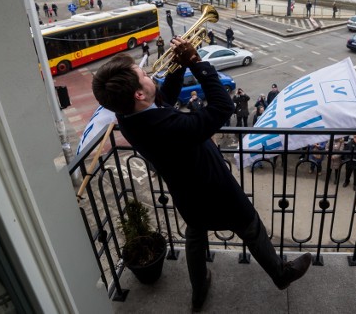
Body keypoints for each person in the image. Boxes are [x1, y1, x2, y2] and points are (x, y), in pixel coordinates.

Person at [91, 46, 312, 312]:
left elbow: (162, 100)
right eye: (145, 75)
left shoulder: (127, 116)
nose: (151, 76)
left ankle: (199, 291)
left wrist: (179, 65)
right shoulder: (169, 127)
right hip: (215, 188)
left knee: (195, 236)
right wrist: (198, 63)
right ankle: (281, 275)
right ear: (139, 93)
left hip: (185, 192)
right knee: (251, 228)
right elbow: (222, 107)